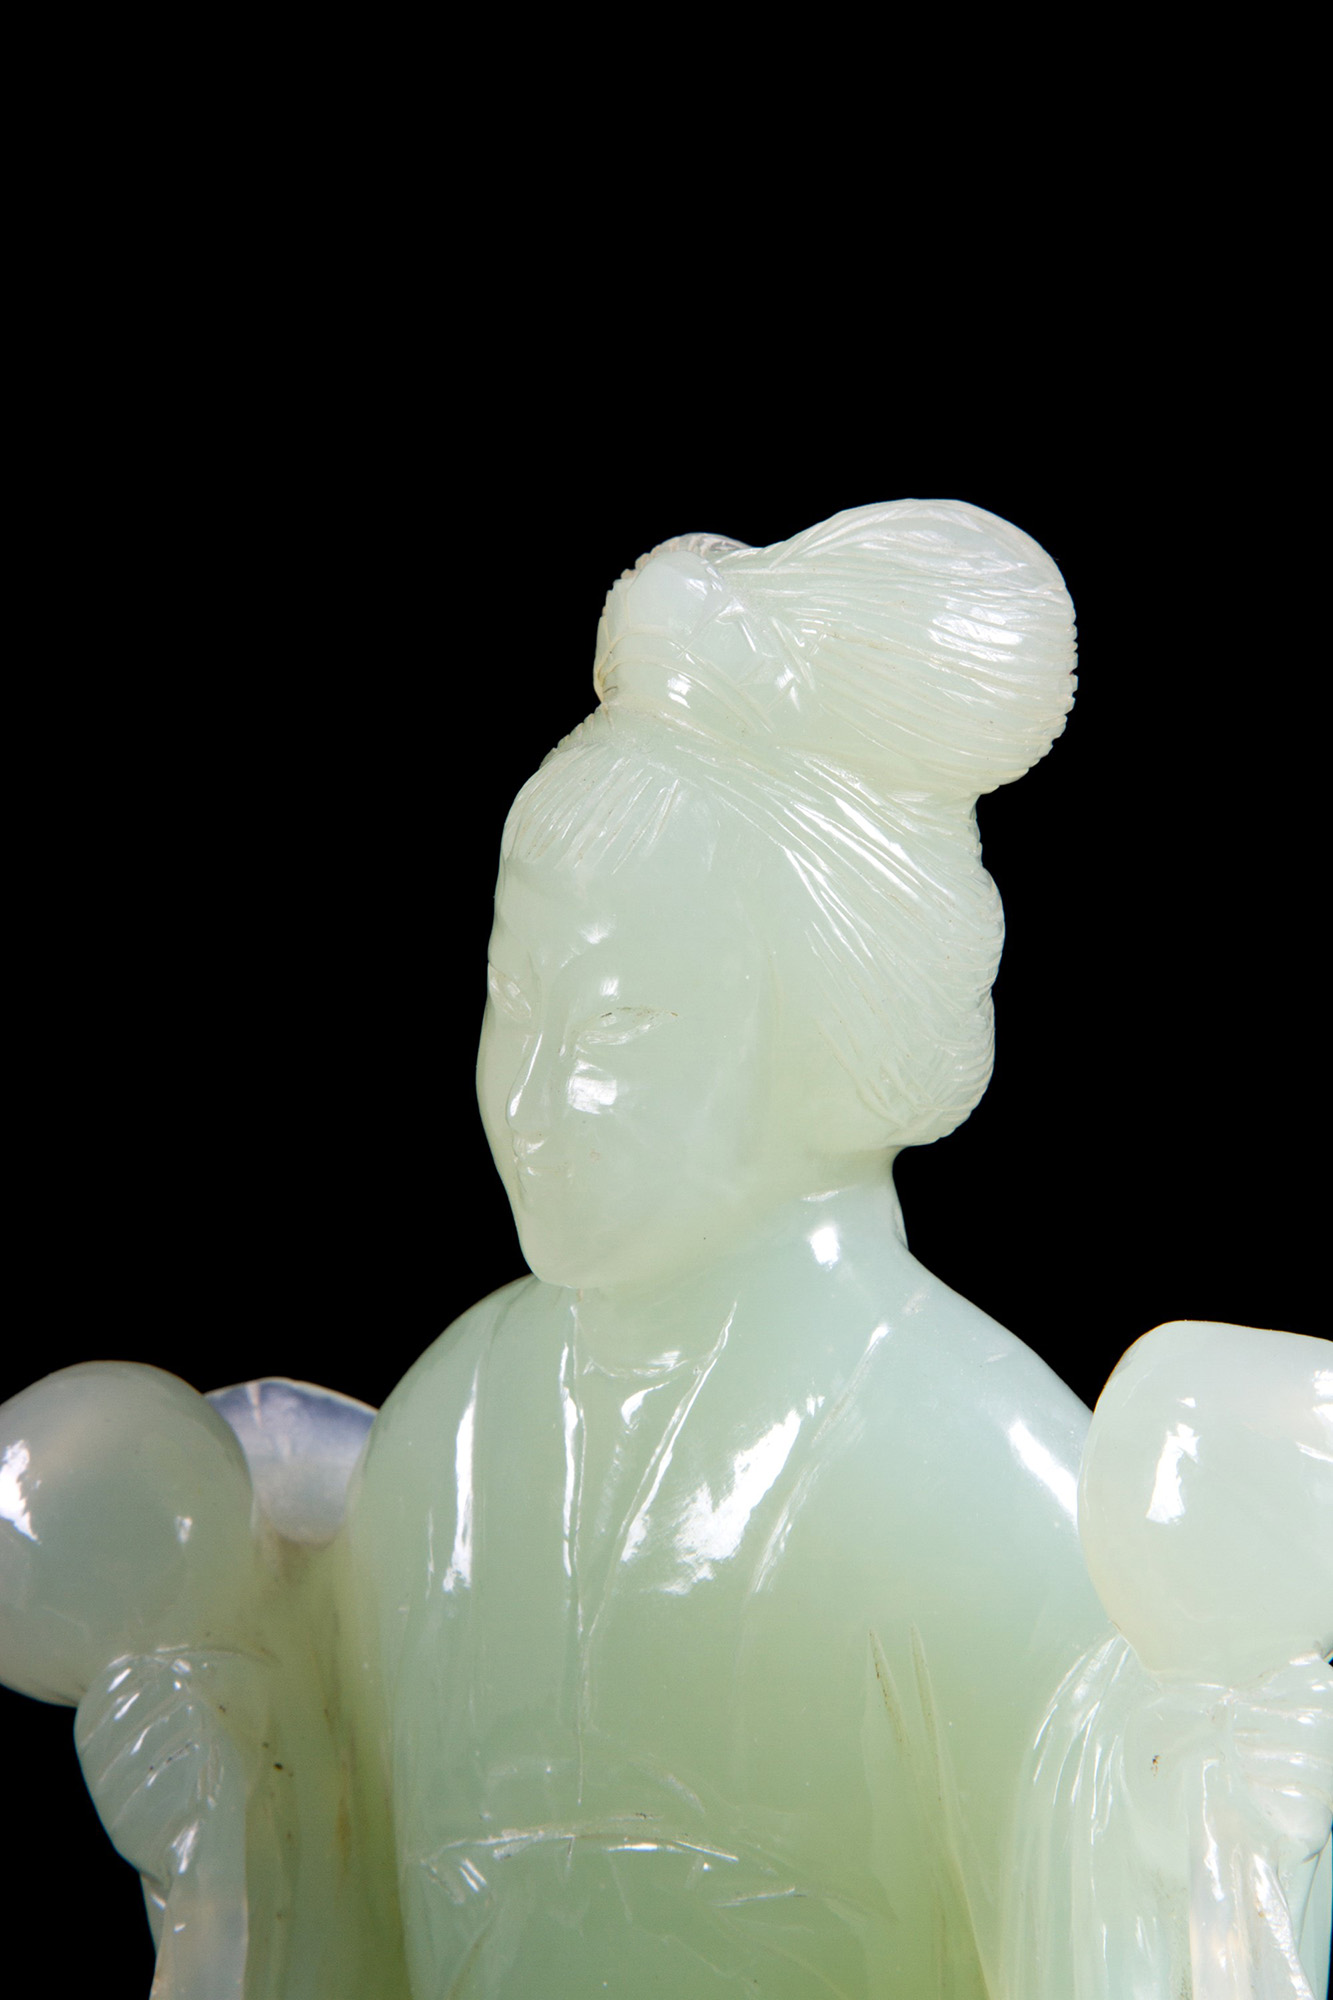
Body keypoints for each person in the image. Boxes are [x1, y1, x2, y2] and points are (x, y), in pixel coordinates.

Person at [341, 501, 1120, 1996]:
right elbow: (350, 1887)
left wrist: (1201, 1813)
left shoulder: (976, 1473)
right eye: (516, 1001)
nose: (533, 1091)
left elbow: (1120, 1917)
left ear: (832, 1031)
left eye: (620, 1022)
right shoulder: (446, 1441)